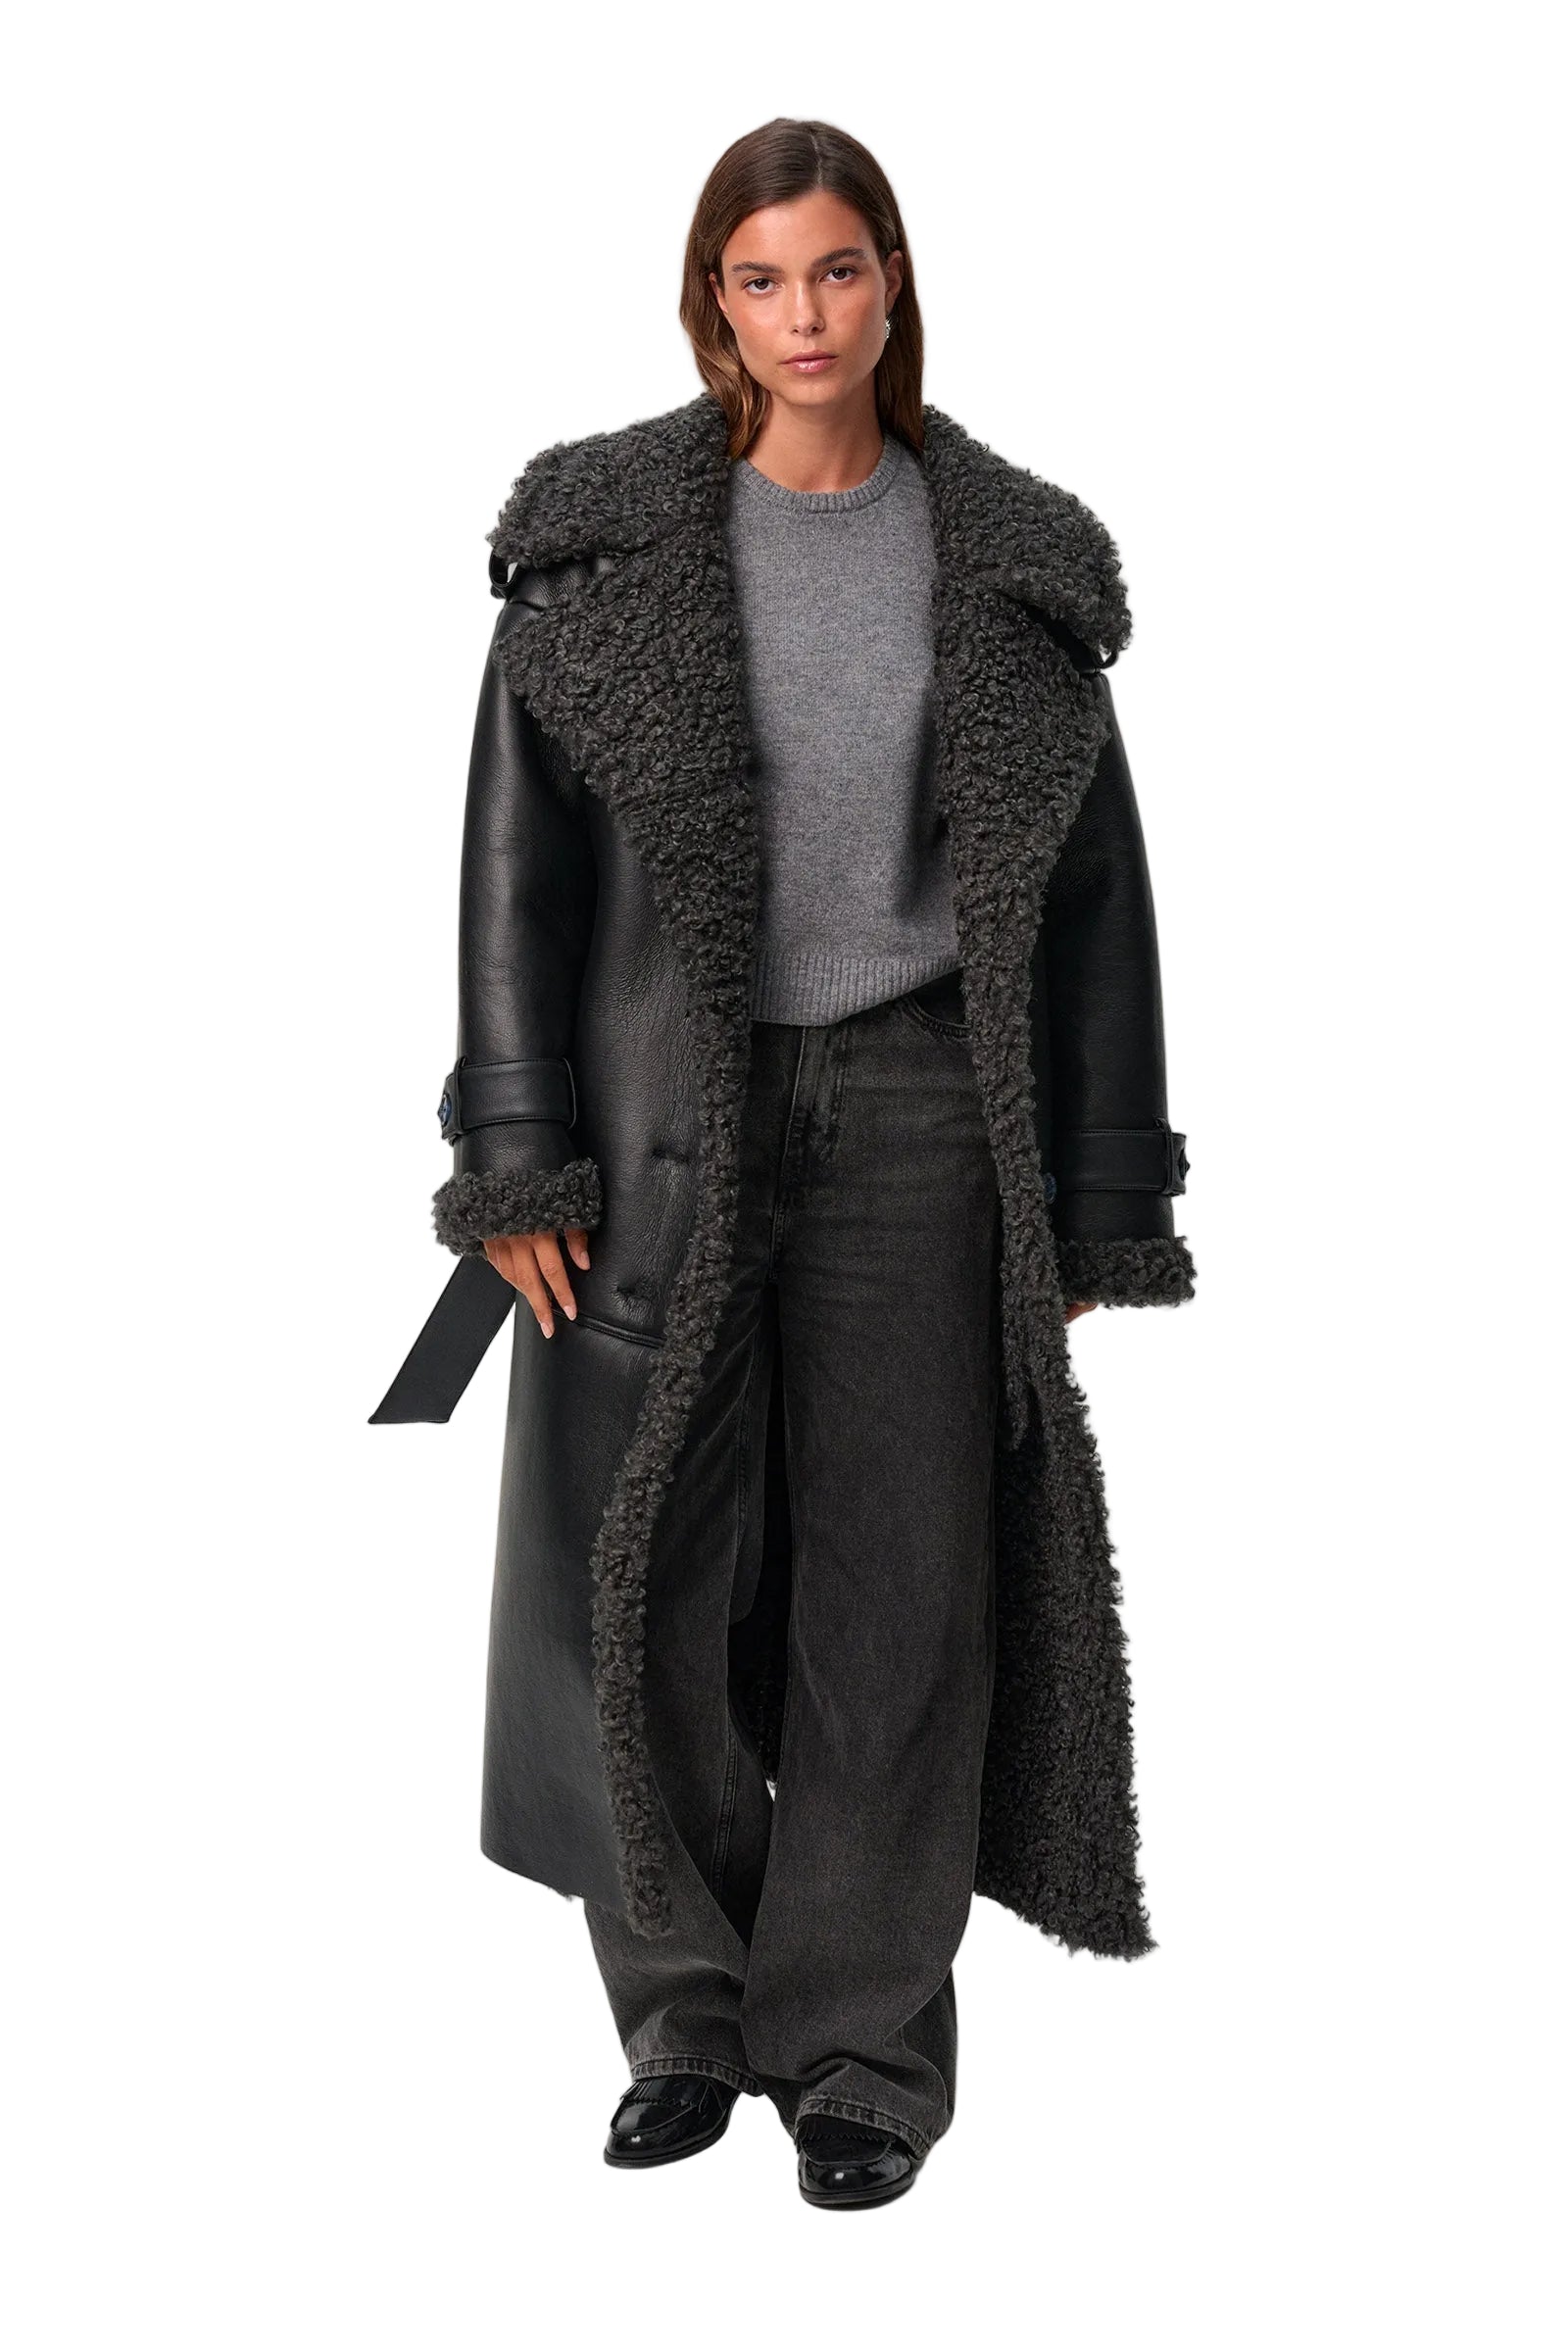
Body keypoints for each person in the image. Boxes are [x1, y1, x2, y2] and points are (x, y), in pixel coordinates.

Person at [372, 116, 1195, 2211]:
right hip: (662, 1111)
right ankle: (682, 2014)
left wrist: (1100, 1190)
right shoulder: (598, 551)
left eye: (836, 270)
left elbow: (1093, 897)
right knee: (642, 1568)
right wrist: (516, 1151)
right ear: (711, 303)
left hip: (923, 1113)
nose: (803, 316)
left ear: (890, 280)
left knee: (900, 1591)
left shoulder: (1008, 559)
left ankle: (857, 2052)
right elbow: (512, 882)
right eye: (761, 280)